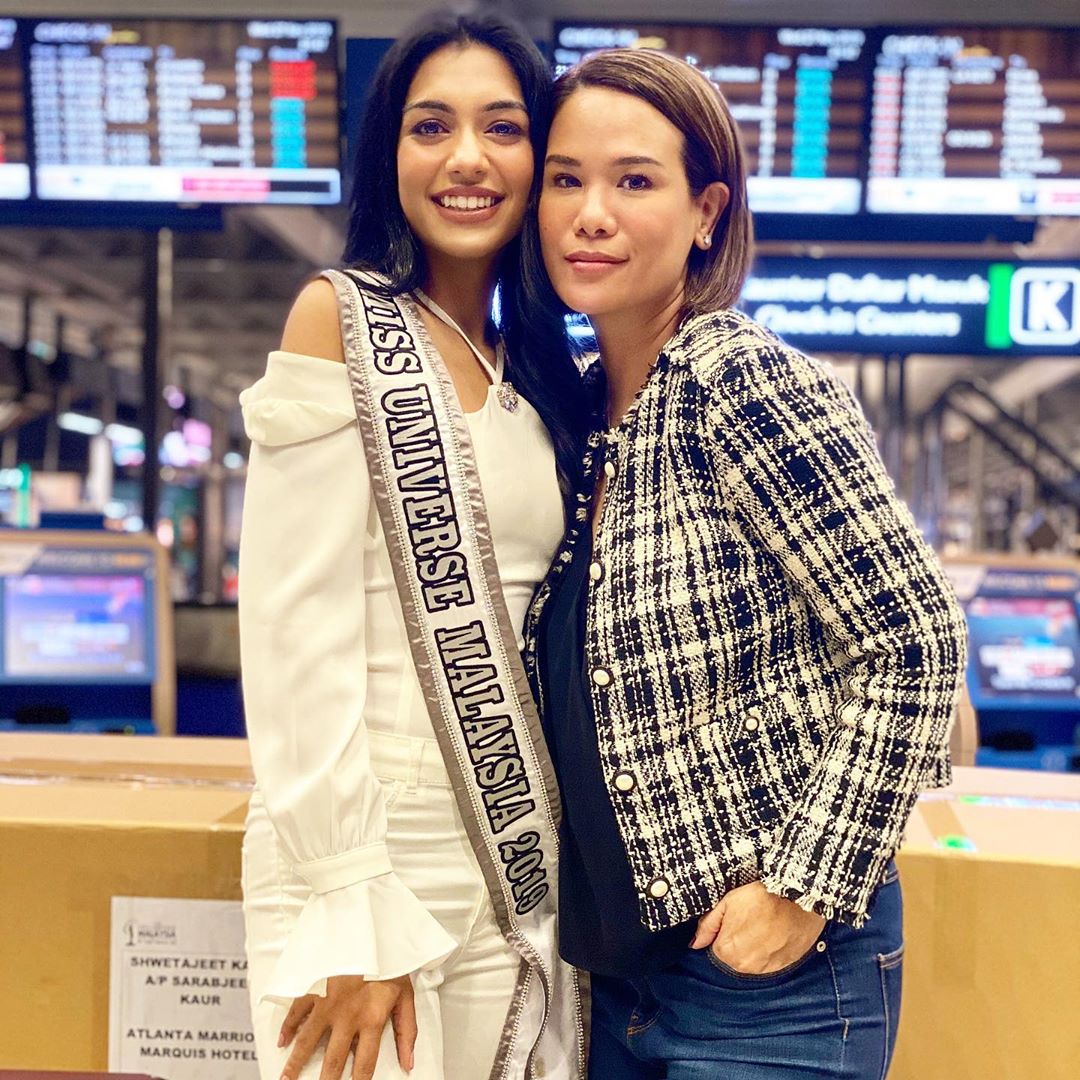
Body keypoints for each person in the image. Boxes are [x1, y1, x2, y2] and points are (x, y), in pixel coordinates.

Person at [520, 48, 968, 1079]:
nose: (591, 212)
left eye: (635, 181)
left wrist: (803, 888)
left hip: (772, 983)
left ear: (706, 211)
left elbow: (916, 641)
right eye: (566, 179)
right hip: (619, 972)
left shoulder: (738, 378)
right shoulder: (584, 408)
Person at [238, 9, 586, 1080]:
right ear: (389, 152)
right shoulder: (337, 318)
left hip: (513, 866)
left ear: (541, 159)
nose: (468, 159)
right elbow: (295, 627)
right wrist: (351, 905)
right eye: (431, 127)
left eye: (504, 128)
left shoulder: (536, 365)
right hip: (360, 851)